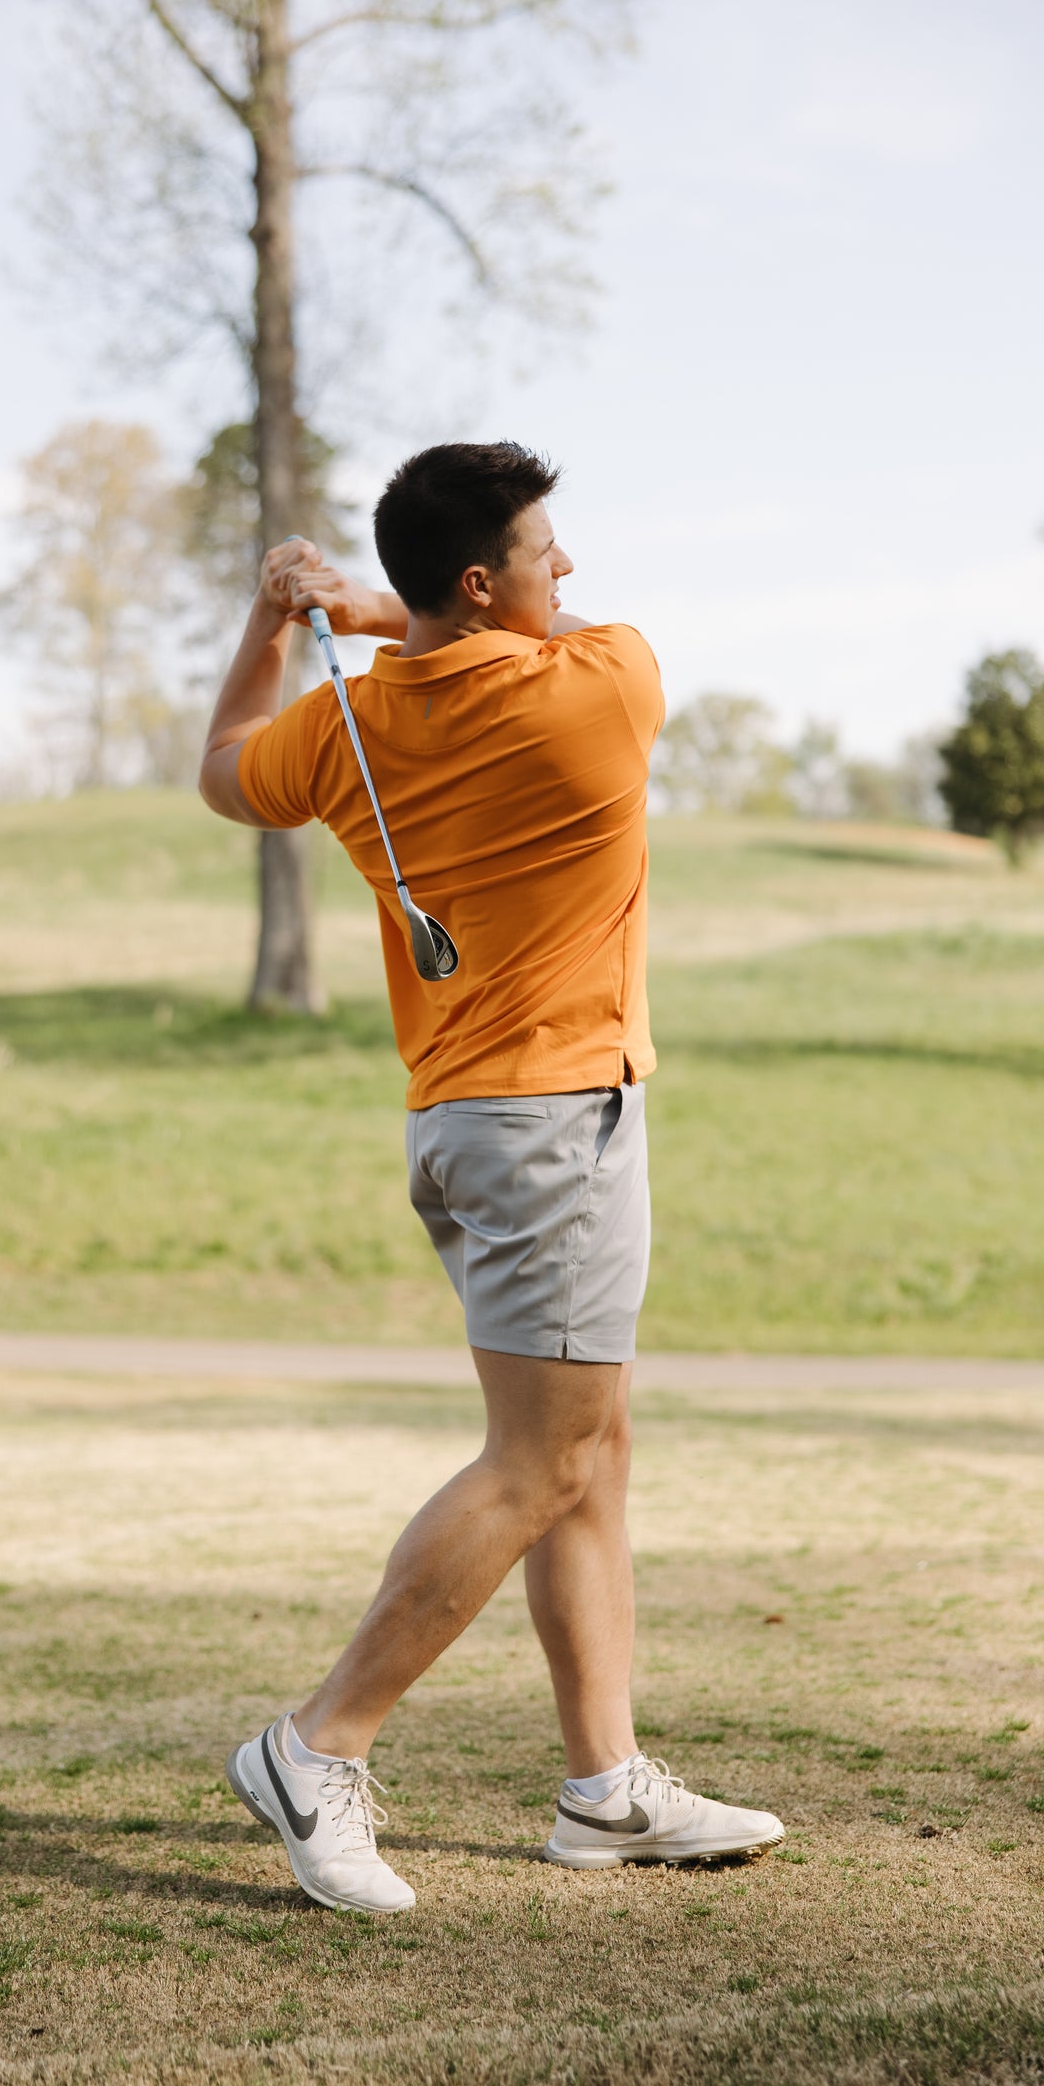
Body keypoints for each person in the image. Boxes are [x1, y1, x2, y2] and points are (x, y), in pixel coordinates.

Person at [199, 442, 783, 1914]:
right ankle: (315, 1743)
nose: (565, 569)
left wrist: (285, 621)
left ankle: (603, 1791)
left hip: (461, 1131)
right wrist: (381, 607)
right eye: (542, 549)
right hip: (554, 1133)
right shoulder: (602, 689)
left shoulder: (344, 732)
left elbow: (223, 775)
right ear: (480, 580)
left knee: (590, 1450)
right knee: (539, 1464)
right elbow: (556, 638)